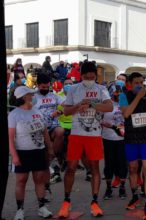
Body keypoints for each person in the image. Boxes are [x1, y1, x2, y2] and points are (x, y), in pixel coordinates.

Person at [58, 61, 113, 218]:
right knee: (71, 168)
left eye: (92, 76)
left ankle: (94, 202)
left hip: (94, 135)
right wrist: (78, 106)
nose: (89, 79)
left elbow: (109, 107)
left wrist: (92, 104)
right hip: (76, 134)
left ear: (96, 75)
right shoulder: (74, 89)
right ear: (81, 76)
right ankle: (66, 201)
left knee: (94, 167)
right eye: (86, 76)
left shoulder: (101, 89)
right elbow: (66, 111)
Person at [8, 86, 55, 220]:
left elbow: (45, 131)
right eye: (30, 95)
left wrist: (50, 147)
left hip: (39, 152)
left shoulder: (37, 112)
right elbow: (10, 139)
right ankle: (19, 210)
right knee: (21, 181)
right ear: (23, 97)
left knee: (39, 180)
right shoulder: (14, 114)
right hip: (22, 153)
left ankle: (42, 208)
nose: (33, 97)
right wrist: (14, 156)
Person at [120, 72, 146, 220]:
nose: (139, 85)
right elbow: (126, 114)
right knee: (133, 168)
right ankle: (135, 195)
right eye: (136, 82)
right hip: (131, 139)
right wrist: (138, 96)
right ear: (129, 84)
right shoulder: (124, 96)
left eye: (141, 82)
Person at [33, 74, 65, 194]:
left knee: (60, 131)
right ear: (37, 85)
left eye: (47, 87)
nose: (45, 89)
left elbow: (67, 104)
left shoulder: (54, 96)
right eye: (43, 87)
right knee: (44, 153)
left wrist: (60, 111)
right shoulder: (33, 97)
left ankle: (53, 159)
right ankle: (49, 168)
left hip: (53, 126)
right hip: (39, 128)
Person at [101, 82, 128, 200]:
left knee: (122, 163)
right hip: (108, 138)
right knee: (109, 164)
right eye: (116, 92)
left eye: (120, 92)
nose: (118, 94)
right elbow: (98, 119)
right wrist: (106, 124)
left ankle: (122, 187)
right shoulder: (106, 104)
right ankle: (108, 188)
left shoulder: (125, 103)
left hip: (123, 138)